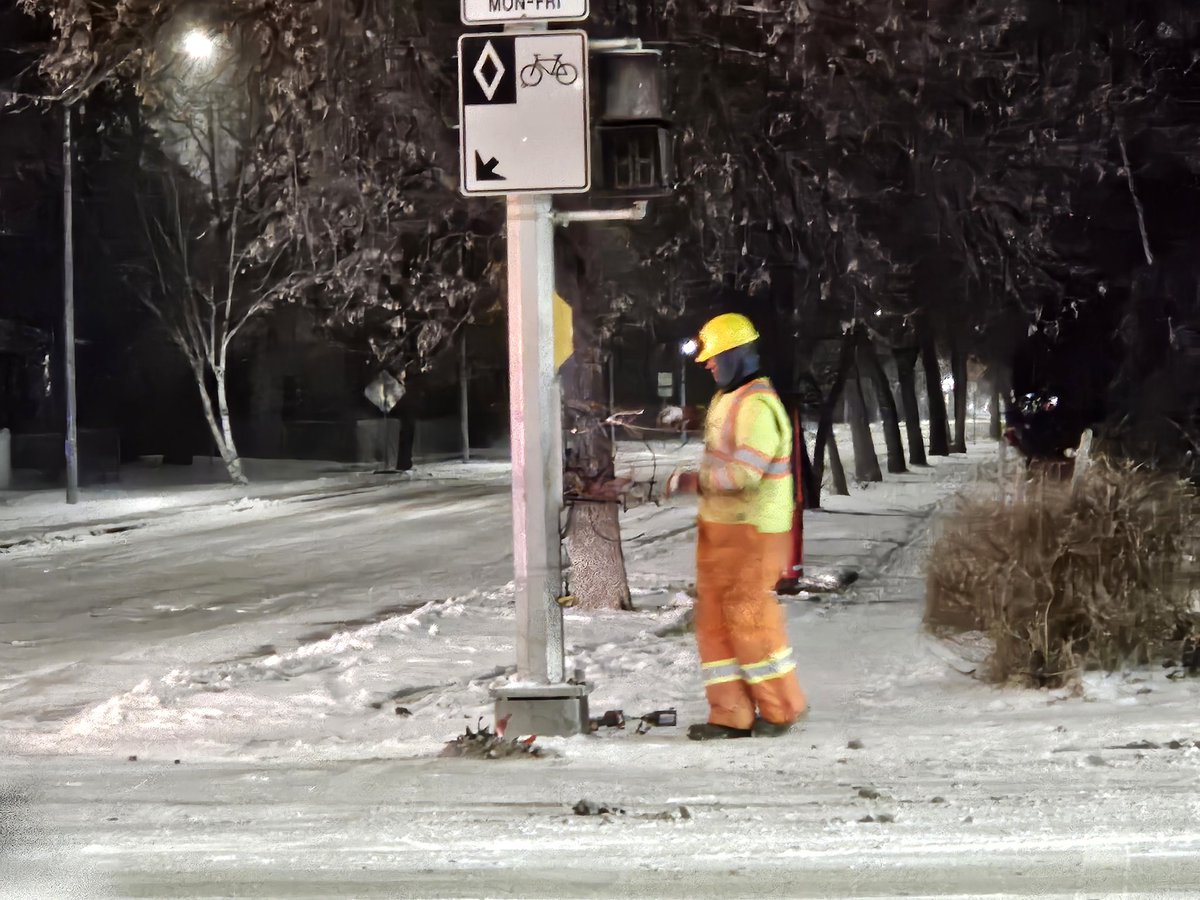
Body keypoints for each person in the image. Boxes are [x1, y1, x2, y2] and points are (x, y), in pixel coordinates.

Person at [667, 313, 808, 740]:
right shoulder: (730, 399)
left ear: (736, 354)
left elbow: (746, 474)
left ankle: (780, 709)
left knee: (749, 619)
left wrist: (692, 481)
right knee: (713, 623)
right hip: (722, 531)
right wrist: (688, 416)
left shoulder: (758, 405)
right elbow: (723, 439)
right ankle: (731, 714)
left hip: (753, 531)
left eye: (713, 358)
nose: (708, 365)